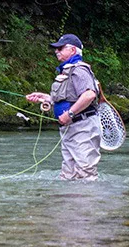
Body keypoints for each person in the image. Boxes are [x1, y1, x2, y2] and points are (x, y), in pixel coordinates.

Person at [25, 34, 102, 181]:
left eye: (60, 48)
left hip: (82, 127)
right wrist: (45, 98)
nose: (56, 51)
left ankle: (90, 202)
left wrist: (70, 114)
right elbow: (68, 100)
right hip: (71, 129)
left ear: (73, 50)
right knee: (68, 175)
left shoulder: (79, 70)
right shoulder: (67, 70)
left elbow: (89, 95)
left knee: (86, 173)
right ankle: (69, 203)